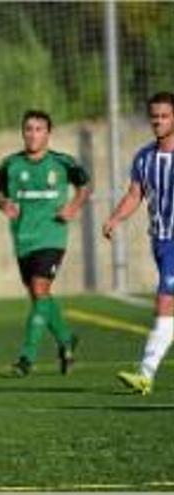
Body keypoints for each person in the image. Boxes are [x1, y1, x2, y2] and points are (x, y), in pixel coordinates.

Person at [0, 110, 91, 377]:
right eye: (28, 129)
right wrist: (4, 204)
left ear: (48, 133)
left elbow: (85, 185)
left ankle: (27, 358)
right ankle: (67, 339)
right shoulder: (10, 165)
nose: (33, 134)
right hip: (23, 238)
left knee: (39, 287)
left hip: (52, 236)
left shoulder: (62, 163)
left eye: (38, 129)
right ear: (23, 133)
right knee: (39, 296)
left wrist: (73, 206)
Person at [104, 91, 174, 395]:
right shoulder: (144, 158)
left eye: (164, 116)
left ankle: (145, 374)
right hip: (160, 241)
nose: (158, 121)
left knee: (165, 302)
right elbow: (135, 194)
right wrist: (116, 218)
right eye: (154, 116)